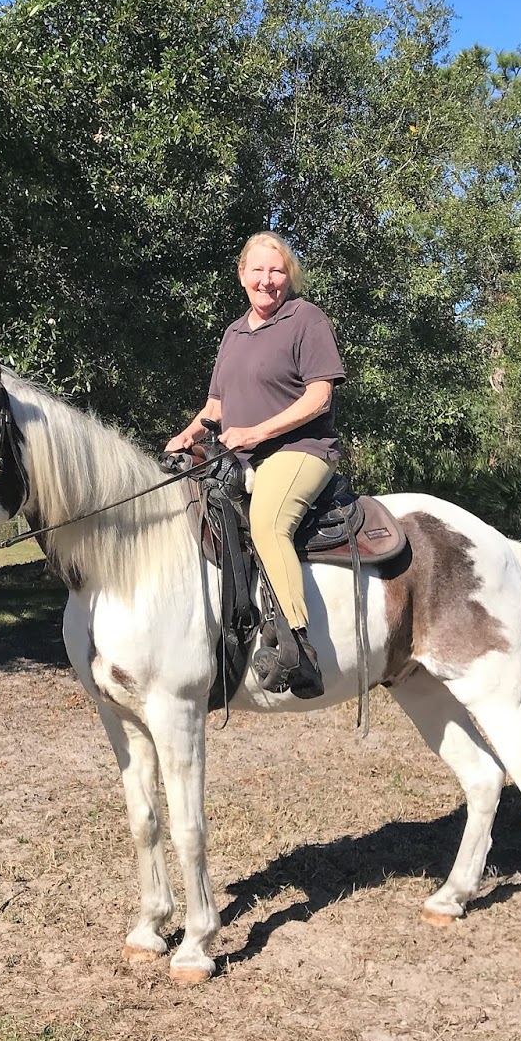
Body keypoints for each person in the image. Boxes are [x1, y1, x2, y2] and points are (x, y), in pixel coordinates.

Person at [166, 232, 345, 698]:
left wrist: (256, 433)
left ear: (290, 277)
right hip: (242, 456)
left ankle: (297, 649)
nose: (267, 281)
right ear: (241, 274)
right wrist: (188, 435)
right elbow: (216, 405)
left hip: (301, 450)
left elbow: (319, 395)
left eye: (277, 271)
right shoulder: (234, 333)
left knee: (267, 522)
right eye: (258, 271)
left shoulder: (304, 318)